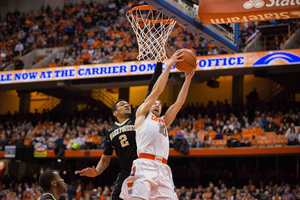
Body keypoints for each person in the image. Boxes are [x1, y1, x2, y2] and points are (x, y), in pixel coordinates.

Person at [78, 60, 163, 199]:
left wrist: (159, 64)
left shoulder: (137, 116)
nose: (126, 105)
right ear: (115, 113)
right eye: (122, 105)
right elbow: (105, 159)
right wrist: (97, 171)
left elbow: (152, 89)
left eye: (127, 104)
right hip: (125, 172)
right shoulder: (110, 132)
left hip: (143, 169)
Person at [120, 50, 195, 200]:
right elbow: (157, 90)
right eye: (154, 102)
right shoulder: (142, 115)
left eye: (160, 104)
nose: (157, 104)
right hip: (145, 165)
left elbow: (178, 103)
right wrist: (168, 66)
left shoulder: (164, 122)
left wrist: (188, 80)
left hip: (163, 168)